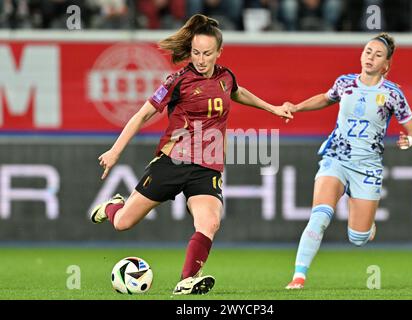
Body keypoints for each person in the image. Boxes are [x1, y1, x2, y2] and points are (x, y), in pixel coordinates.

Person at [90, 13, 293, 295]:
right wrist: (115, 150)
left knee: (210, 222)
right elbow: (142, 114)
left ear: (219, 52)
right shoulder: (178, 81)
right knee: (123, 222)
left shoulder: (225, 77)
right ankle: (113, 206)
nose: (200, 58)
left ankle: (187, 280)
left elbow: (238, 91)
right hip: (172, 161)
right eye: (196, 52)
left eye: (207, 53)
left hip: (207, 167)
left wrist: (272, 108)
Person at [285, 32, 412, 289]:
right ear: (361, 55)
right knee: (320, 216)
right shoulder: (344, 83)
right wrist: (297, 107)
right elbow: (326, 99)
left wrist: (409, 141)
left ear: (386, 65)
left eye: (378, 55)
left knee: (357, 238)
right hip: (336, 157)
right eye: (368, 51)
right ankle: (298, 276)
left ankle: (365, 226)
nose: (371, 57)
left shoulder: (393, 94)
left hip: (367, 167)